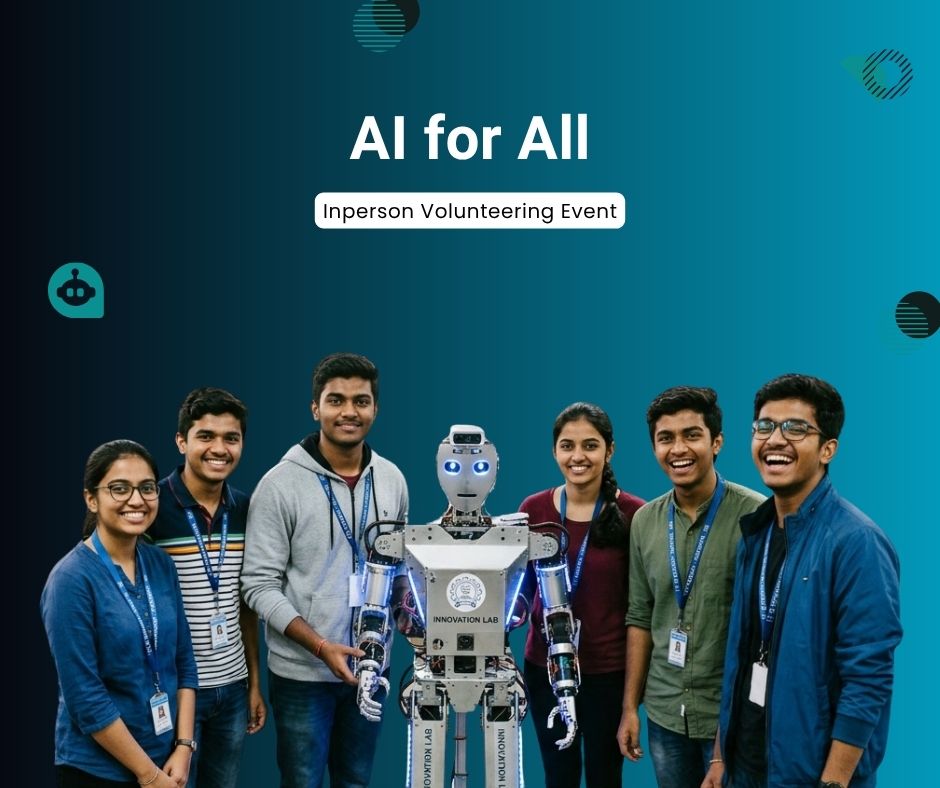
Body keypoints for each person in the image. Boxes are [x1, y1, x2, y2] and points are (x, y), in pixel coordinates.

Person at [703, 374, 902, 788]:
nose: (775, 439)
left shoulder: (857, 542)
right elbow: (739, 656)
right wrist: (721, 759)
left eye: (795, 428)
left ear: (828, 448)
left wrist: (833, 782)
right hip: (748, 765)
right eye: (764, 426)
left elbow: (868, 680)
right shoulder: (755, 533)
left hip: (811, 775)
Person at [241, 353, 409, 788]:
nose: (349, 412)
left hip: (372, 667)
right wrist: (319, 646)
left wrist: (418, 631)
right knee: (302, 782)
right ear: (315, 408)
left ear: (375, 409)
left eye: (361, 401)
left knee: (355, 781)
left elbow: (398, 570)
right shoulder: (279, 485)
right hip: (302, 676)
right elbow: (258, 587)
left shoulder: (392, 479)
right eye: (336, 400)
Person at [618, 387, 764, 788]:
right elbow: (639, 616)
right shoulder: (645, 521)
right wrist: (630, 707)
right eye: (666, 438)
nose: (678, 448)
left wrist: (723, 745)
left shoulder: (756, 516)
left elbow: (765, 630)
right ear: (654, 448)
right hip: (665, 715)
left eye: (692, 435)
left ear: (716, 442)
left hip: (731, 719)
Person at [41, 440, 199, 788]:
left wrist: (185, 748)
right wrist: (148, 775)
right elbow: (86, 699)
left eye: (146, 488)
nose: (136, 500)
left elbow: (184, 662)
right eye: (119, 488)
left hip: (171, 760)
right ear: (91, 499)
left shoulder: (161, 564)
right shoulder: (70, 580)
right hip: (99, 771)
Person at [520, 402, 644, 788]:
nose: (578, 457)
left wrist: (631, 701)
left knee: (606, 777)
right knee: (559, 776)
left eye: (590, 446)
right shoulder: (533, 509)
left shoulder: (635, 514)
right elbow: (519, 597)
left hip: (608, 672)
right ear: (554, 451)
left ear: (610, 450)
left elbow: (642, 607)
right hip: (546, 669)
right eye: (567, 446)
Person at [148, 388, 266, 788]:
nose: (219, 449)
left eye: (231, 438)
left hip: (232, 690)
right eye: (205, 436)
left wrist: (253, 683)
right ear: (182, 441)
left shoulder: (248, 509)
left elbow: (247, 604)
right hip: (174, 689)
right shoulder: (150, 508)